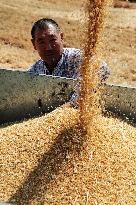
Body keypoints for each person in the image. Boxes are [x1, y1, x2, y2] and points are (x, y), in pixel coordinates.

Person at [28, 18, 110, 107]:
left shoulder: (77, 58)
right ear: (34, 44)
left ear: (61, 37)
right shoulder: (35, 71)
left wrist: (72, 103)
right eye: (41, 42)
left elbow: (102, 68)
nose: (48, 47)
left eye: (53, 40)